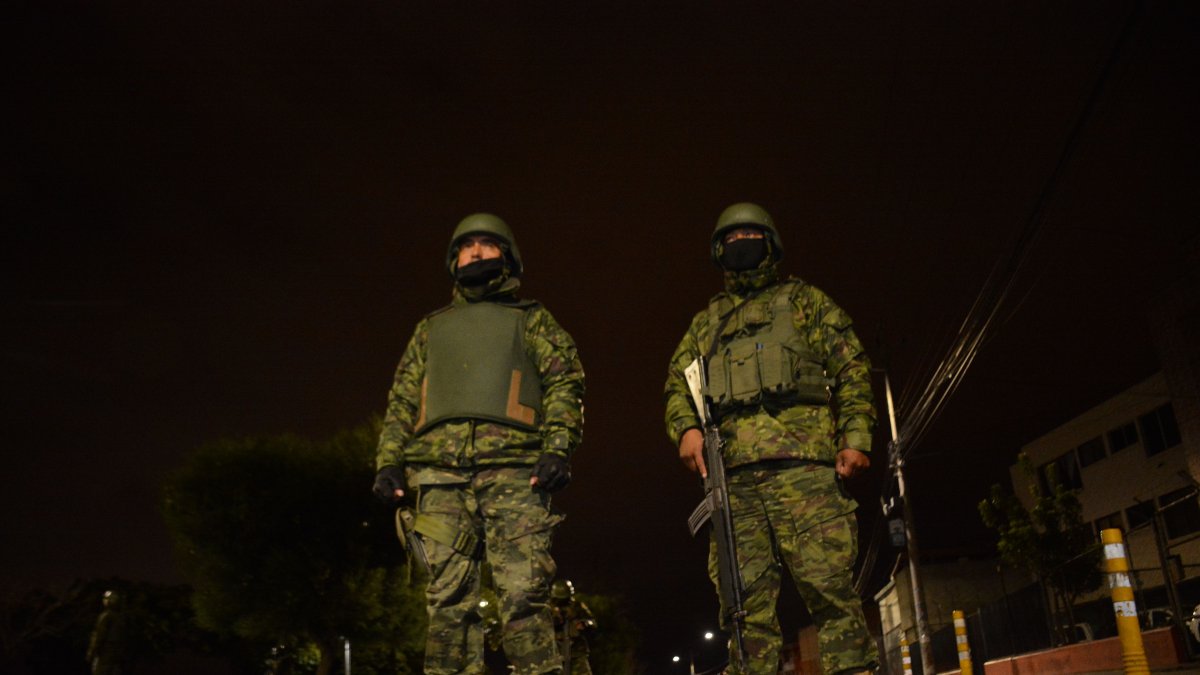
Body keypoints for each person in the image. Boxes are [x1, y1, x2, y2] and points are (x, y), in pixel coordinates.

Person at [663, 203, 878, 675]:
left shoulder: (807, 303)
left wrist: (856, 437)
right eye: (732, 238)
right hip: (735, 483)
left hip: (805, 471)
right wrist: (687, 428)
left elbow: (852, 368)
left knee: (830, 590)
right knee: (743, 608)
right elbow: (678, 383)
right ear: (719, 251)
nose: (742, 243)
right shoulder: (706, 324)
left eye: (751, 235)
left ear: (771, 244)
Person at [374, 213, 585, 675]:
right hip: (439, 476)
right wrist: (388, 461)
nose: (475, 253)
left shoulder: (531, 320)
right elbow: (404, 399)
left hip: (514, 471)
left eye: (486, 246)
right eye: (466, 247)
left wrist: (558, 447)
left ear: (506, 257)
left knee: (523, 596)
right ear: (454, 260)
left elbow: (564, 382)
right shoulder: (430, 330)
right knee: (447, 602)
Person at [549, 579, 595, 675]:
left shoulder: (577, 606)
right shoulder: (548, 609)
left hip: (576, 652)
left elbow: (592, 621)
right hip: (555, 654)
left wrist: (585, 624)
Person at [86, 589, 128, 675]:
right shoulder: (121, 618)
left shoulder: (106, 616)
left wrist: (91, 652)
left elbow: (99, 636)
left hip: (105, 651)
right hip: (115, 651)